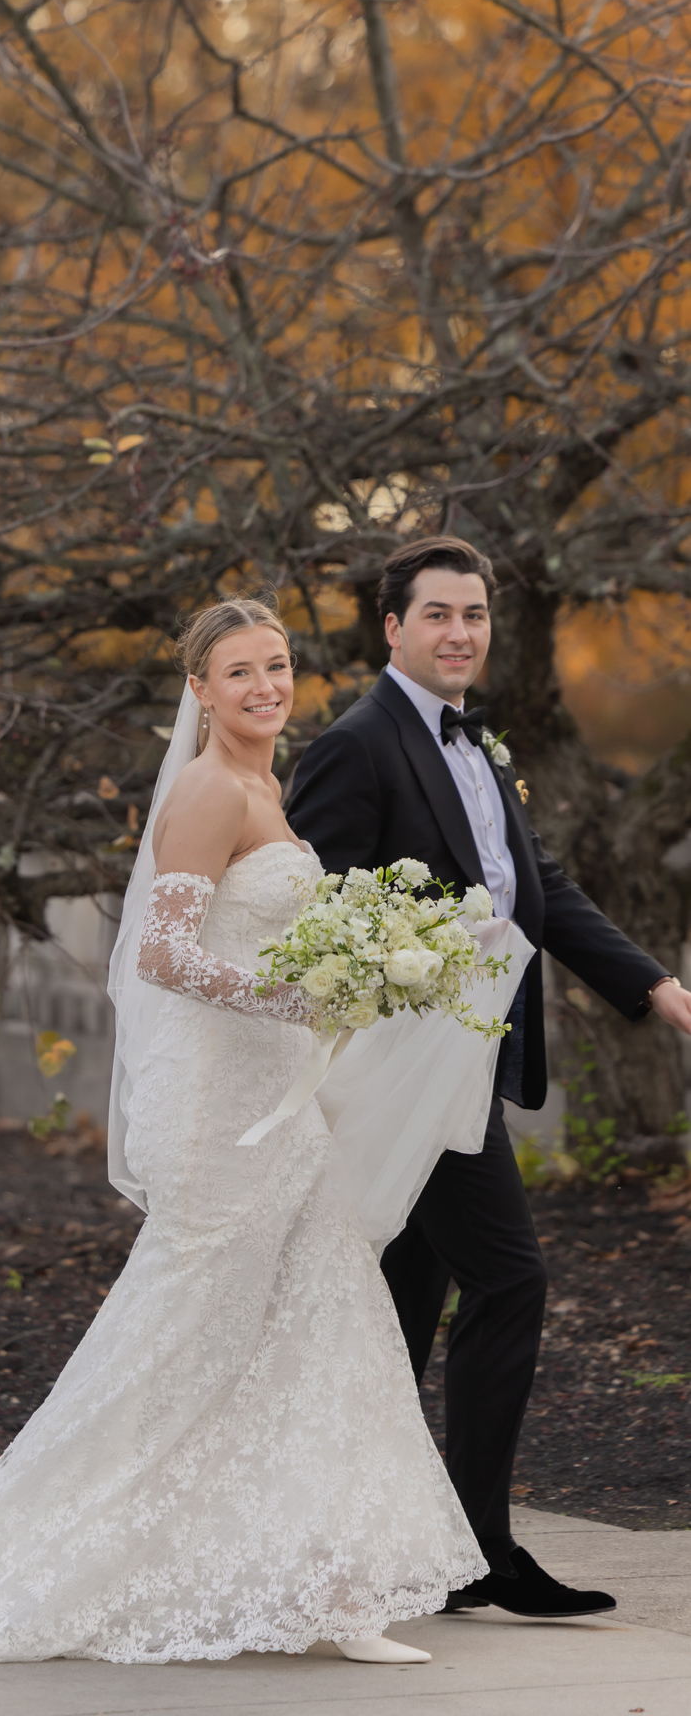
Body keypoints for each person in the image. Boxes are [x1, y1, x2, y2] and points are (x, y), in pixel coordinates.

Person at [0, 596, 491, 1668]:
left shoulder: (267, 786)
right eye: (239, 671)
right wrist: (296, 997)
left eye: (277, 665)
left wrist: (363, 965)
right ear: (199, 690)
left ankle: (333, 1591)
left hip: (278, 1098)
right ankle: (18, 1563)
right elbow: (162, 954)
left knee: (321, 1322)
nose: (264, 686)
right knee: (177, 1338)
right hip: (218, 1110)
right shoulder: (208, 790)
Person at [287, 534, 691, 1619]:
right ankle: (477, 1552)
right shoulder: (355, 746)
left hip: (462, 1073)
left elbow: (534, 884)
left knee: (402, 1305)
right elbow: (317, 918)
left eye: (473, 613)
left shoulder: (478, 742)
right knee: (508, 1281)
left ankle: (373, 1542)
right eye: (437, 613)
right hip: (399, 1077)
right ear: (392, 628)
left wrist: (654, 984)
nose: (459, 631)